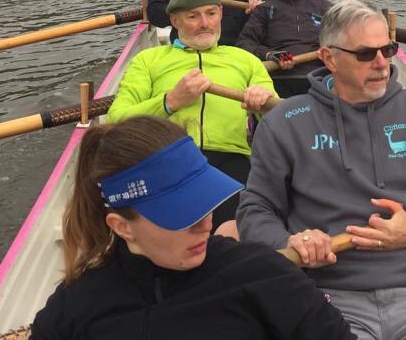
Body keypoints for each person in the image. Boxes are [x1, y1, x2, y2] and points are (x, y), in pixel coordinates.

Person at [237, 0, 406, 340]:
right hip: (327, 294)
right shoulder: (283, 124)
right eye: (365, 54)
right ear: (329, 58)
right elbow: (256, 209)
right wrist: (289, 242)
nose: (381, 64)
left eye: (387, 50)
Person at [31, 116, 355, 340]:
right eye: (181, 215)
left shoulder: (263, 273)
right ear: (122, 226)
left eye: (205, 202)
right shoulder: (72, 307)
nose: (205, 224)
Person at [108, 0, 276, 227]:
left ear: (221, 14)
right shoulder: (148, 60)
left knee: (242, 227)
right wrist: (170, 102)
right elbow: (116, 120)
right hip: (165, 157)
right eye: (193, 16)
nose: (205, 23)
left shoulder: (246, 60)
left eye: (211, 13)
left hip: (230, 159)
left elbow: (279, 119)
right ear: (175, 21)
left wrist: (263, 103)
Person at [237, 0, 332, 99]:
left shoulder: (325, 7)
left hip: (320, 78)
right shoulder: (265, 9)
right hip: (279, 80)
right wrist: (270, 54)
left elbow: (343, 41)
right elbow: (244, 43)